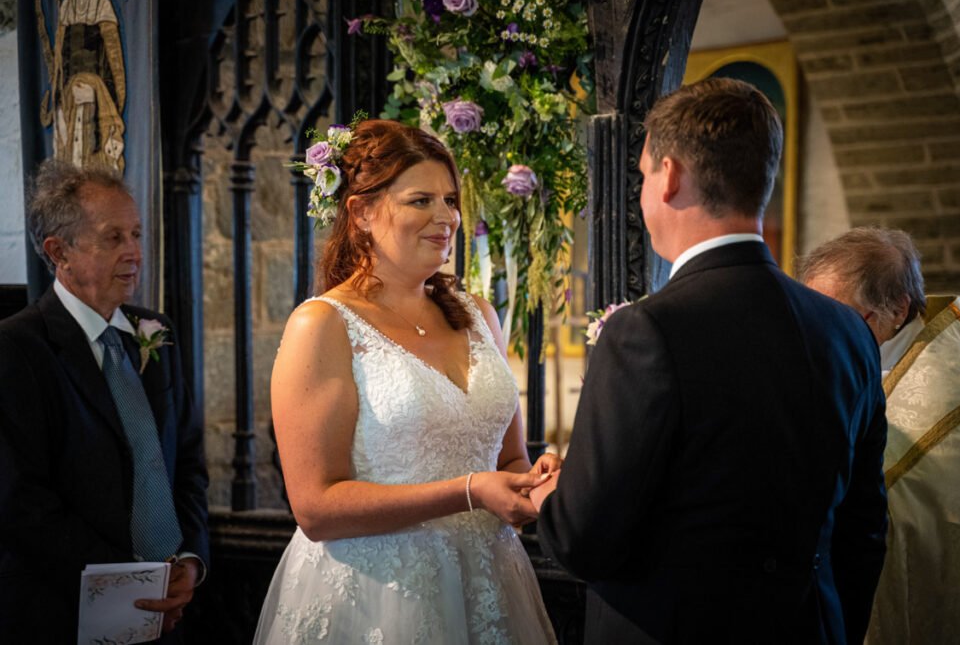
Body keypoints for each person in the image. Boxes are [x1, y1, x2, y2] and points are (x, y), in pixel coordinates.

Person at [533, 78, 889, 644]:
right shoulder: (846, 329)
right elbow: (864, 532)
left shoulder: (647, 331)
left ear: (670, 175)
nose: (644, 190)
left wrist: (551, 494)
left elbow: (584, 539)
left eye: (645, 173)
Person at [253, 119, 559, 644]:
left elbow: (507, 460)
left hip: (488, 582)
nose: (446, 217)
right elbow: (316, 509)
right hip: (380, 595)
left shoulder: (478, 314)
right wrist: (469, 490)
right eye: (421, 200)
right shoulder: (323, 325)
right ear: (362, 212)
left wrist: (534, 481)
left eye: (450, 199)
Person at [0, 161, 209, 641]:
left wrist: (189, 563)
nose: (134, 252)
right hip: (60, 611)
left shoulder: (155, 333)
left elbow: (189, 463)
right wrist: (127, 584)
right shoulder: (16, 348)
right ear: (60, 251)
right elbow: (20, 501)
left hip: (171, 607)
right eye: (113, 238)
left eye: (135, 234)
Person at [800, 226, 960, 644]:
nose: (823, 336)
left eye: (840, 319)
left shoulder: (940, 409)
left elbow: (872, 517)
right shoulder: (875, 360)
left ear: (898, 310)